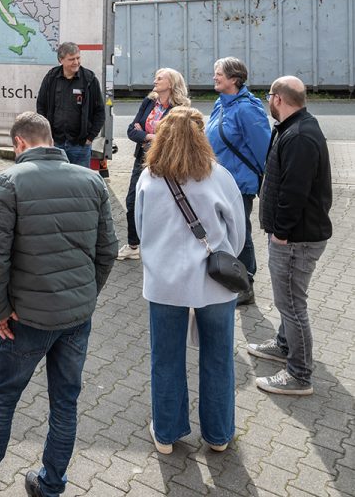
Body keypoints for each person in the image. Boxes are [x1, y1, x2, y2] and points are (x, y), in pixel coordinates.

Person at [0, 112, 117, 497]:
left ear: (20, 144)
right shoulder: (92, 180)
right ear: (50, 139)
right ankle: (51, 485)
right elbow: (107, 250)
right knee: (65, 402)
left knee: (4, 395)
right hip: (76, 317)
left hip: (25, 319)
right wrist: (86, 295)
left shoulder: (9, 181)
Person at [135, 107, 245, 455]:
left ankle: (166, 433)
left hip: (165, 283)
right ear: (202, 135)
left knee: (165, 358)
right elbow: (238, 235)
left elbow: (140, 230)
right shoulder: (219, 176)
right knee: (218, 357)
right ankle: (218, 434)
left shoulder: (148, 179)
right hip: (214, 283)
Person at [247, 76, 332, 396]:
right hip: (294, 235)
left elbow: (294, 192)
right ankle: (283, 344)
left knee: (292, 305)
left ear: (279, 99)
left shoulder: (298, 135)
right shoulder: (292, 128)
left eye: (269, 95)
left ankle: (299, 375)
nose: (268, 101)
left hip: (296, 239)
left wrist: (281, 233)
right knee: (290, 303)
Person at [205, 57, 271, 305]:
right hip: (218, 181)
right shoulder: (221, 103)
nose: (214, 77)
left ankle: (246, 284)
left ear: (234, 78)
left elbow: (264, 150)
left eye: (219, 73)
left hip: (239, 185)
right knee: (223, 232)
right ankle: (229, 275)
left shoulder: (247, 108)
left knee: (240, 233)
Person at [117, 68, 190, 261]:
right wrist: (151, 135)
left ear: (171, 84)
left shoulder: (180, 108)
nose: (154, 80)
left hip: (166, 162)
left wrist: (147, 135)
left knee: (163, 204)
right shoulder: (149, 102)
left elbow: (174, 138)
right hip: (142, 159)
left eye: (159, 78)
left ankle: (162, 246)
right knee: (132, 201)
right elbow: (131, 130)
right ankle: (134, 245)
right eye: (155, 77)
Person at [36, 42, 105, 167]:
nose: (76, 62)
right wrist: (46, 134)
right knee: (55, 182)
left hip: (80, 146)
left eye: (78, 58)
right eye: (71, 59)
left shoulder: (89, 80)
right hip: (55, 143)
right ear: (61, 60)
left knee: (80, 183)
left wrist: (90, 137)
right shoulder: (51, 77)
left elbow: (99, 111)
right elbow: (41, 105)